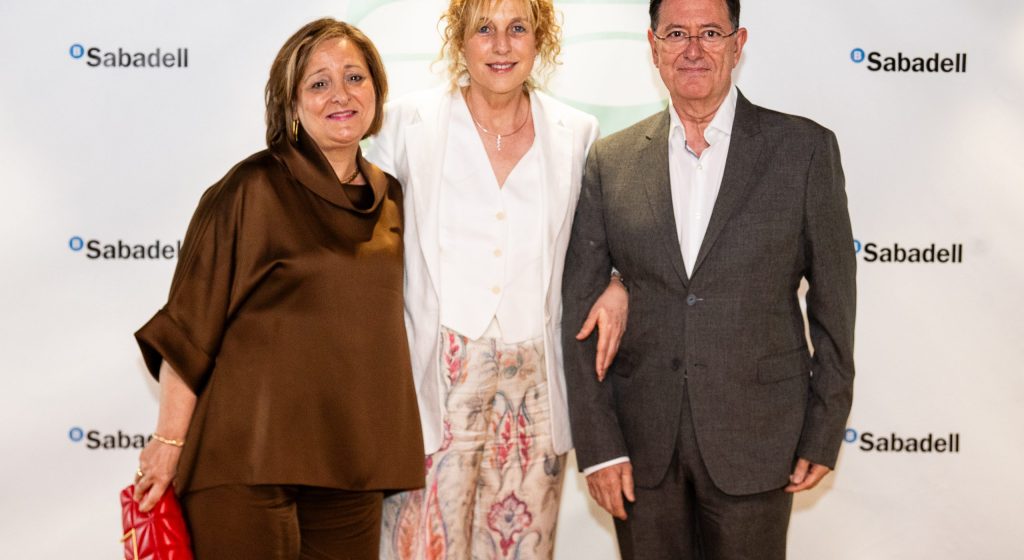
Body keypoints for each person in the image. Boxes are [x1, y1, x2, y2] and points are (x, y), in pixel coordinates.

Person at [562, 0, 856, 558]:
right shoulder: (611, 161)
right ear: (653, 47)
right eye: (676, 33)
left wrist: (825, 427)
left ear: (737, 44)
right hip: (640, 447)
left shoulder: (804, 151)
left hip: (759, 438)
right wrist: (599, 447)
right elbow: (580, 306)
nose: (693, 49)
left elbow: (835, 303)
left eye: (710, 33)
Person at [130, 18, 423, 559]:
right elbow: (188, 328)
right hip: (245, 459)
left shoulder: (393, 198)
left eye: (354, 77)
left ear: (377, 91)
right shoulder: (252, 188)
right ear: (291, 104)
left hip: (353, 464)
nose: (341, 94)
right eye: (319, 83)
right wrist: (168, 442)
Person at [366, 0, 627, 557]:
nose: (502, 45)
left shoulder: (578, 133)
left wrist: (617, 282)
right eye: (484, 28)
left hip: (536, 389)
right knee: (424, 548)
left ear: (541, 40)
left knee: (522, 548)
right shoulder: (406, 124)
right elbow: (362, 238)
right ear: (459, 41)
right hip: (433, 381)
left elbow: (601, 245)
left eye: (518, 29)